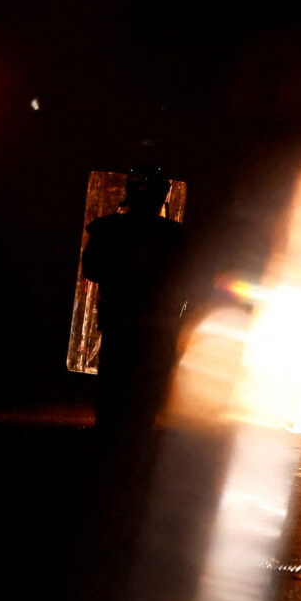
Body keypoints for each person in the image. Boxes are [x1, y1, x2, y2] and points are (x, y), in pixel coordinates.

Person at [81, 163, 191, 448]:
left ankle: (109, 449)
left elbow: (91, 268)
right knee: (145, 397)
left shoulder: (107, 229)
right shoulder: (174, 236)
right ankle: (133, 449)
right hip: (156, 327)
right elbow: (193, 282)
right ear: (162, 196)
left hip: (120, 323)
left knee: (114, 394)